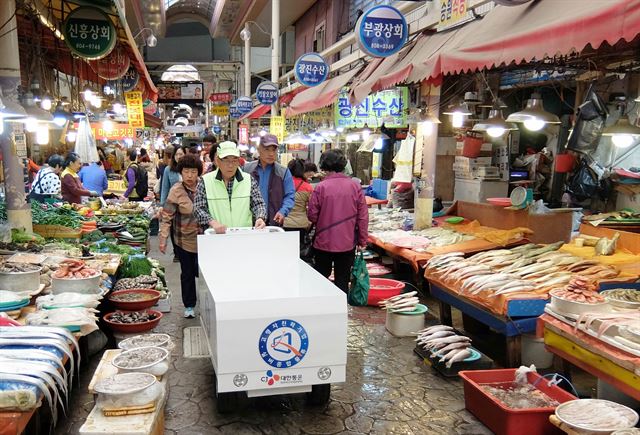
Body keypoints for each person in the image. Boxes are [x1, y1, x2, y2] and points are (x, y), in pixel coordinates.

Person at [307, 149, 369, 293]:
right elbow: (363, 216)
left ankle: (321, 308)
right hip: (347, 244)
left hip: (324, 242)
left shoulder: (320, 187)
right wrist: (362, 240)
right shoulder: (355, 186)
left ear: (324, 165)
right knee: (342, 280)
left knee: (321, 278)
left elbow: (312, 215)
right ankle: (340, 310)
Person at [159, 154, 203, 319]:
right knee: (187, 273)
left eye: (193, 172)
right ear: (181, 173)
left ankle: (207, 302)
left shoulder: (204, 186)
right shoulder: (176, 190)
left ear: (198, 172)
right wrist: (163, 239)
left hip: (205, 240)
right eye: (186, 172)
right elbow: (166, 216)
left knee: (204, 272)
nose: (190, 176)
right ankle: (189, 305)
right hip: (184, 240)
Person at [194, 141, 267, 233]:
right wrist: (212, 222)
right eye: (226, 160)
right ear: (218, 161)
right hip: (216, 237)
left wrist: (260, 217)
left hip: (243, 236)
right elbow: (198, 208)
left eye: (234, 160)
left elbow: (258, 204)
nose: (230, 165)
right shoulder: (205, 181)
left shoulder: (248, 180)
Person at [243, 134, 294, 226]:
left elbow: (290, 196)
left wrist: (283, 211)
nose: (271, 154)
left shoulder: (283, 172)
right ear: (259, 150)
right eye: (267, 149)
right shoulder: (246, 170)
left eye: (274, 150)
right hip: (249, 222)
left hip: (274, 221)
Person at [283, 159, 313, 250]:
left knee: (286, 250)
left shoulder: (283, 183)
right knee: (299, 250)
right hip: (301, 224)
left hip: (284, 222)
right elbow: (312, 208)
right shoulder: (308, 187)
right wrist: (309, 222)